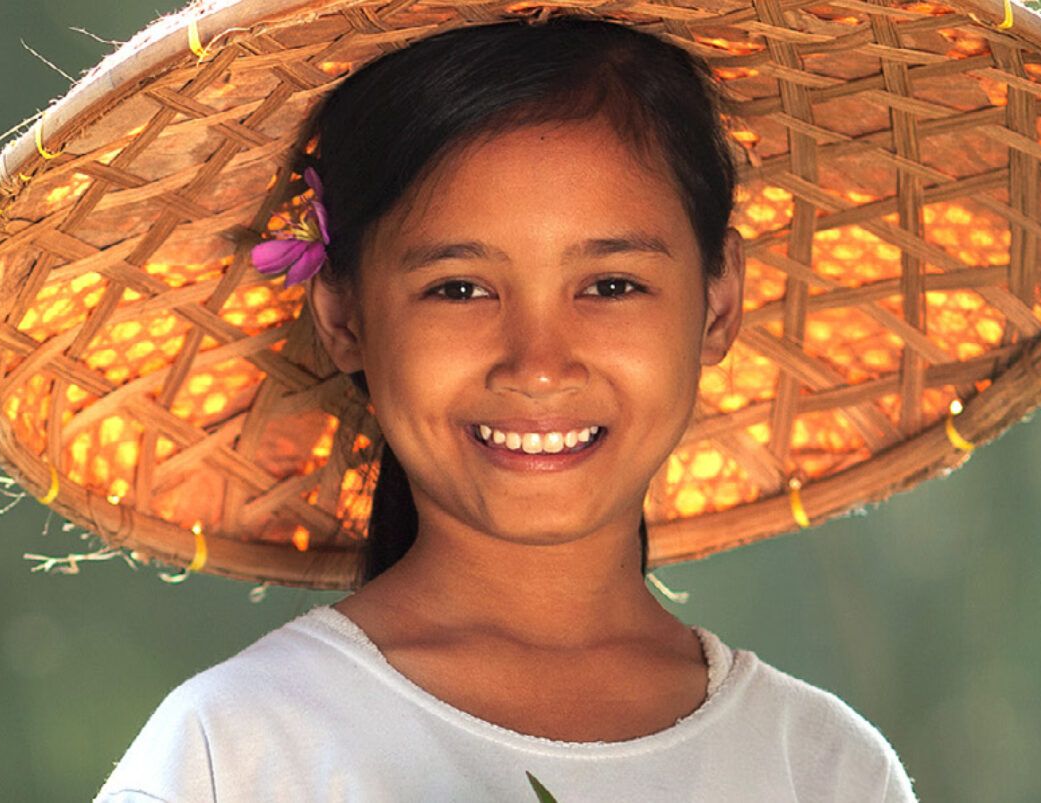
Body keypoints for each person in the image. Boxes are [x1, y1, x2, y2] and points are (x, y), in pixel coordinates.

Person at [90, 20, 917, 801]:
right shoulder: (237, 751)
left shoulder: (821, 767)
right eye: (459, 288)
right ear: (343, 315)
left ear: (718, 300)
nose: (538, 364)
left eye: (611, 285)